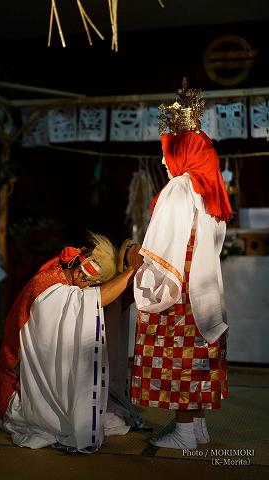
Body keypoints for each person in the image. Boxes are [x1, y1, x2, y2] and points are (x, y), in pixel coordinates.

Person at [130, 79, 233, 450]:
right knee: (199, 356)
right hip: (203, 292)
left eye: (167, 151)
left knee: (177, 356)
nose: (162, 160)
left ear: (184, 152)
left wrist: (142, 273)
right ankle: (197, 427)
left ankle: (186, 430)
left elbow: (162, 247)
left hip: (180, 293)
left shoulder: (180, 189)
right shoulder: (209, 193)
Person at [0, 232, 143, 452]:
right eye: (88, 270)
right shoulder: (49, 287)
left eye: (95, 279)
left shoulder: (64, 278)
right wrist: (131, 271)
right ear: (79, 260)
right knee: (72, 425)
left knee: (106, 416)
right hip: (17, 390)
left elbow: (108, 301)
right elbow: (95, 300)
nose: (86, 279)